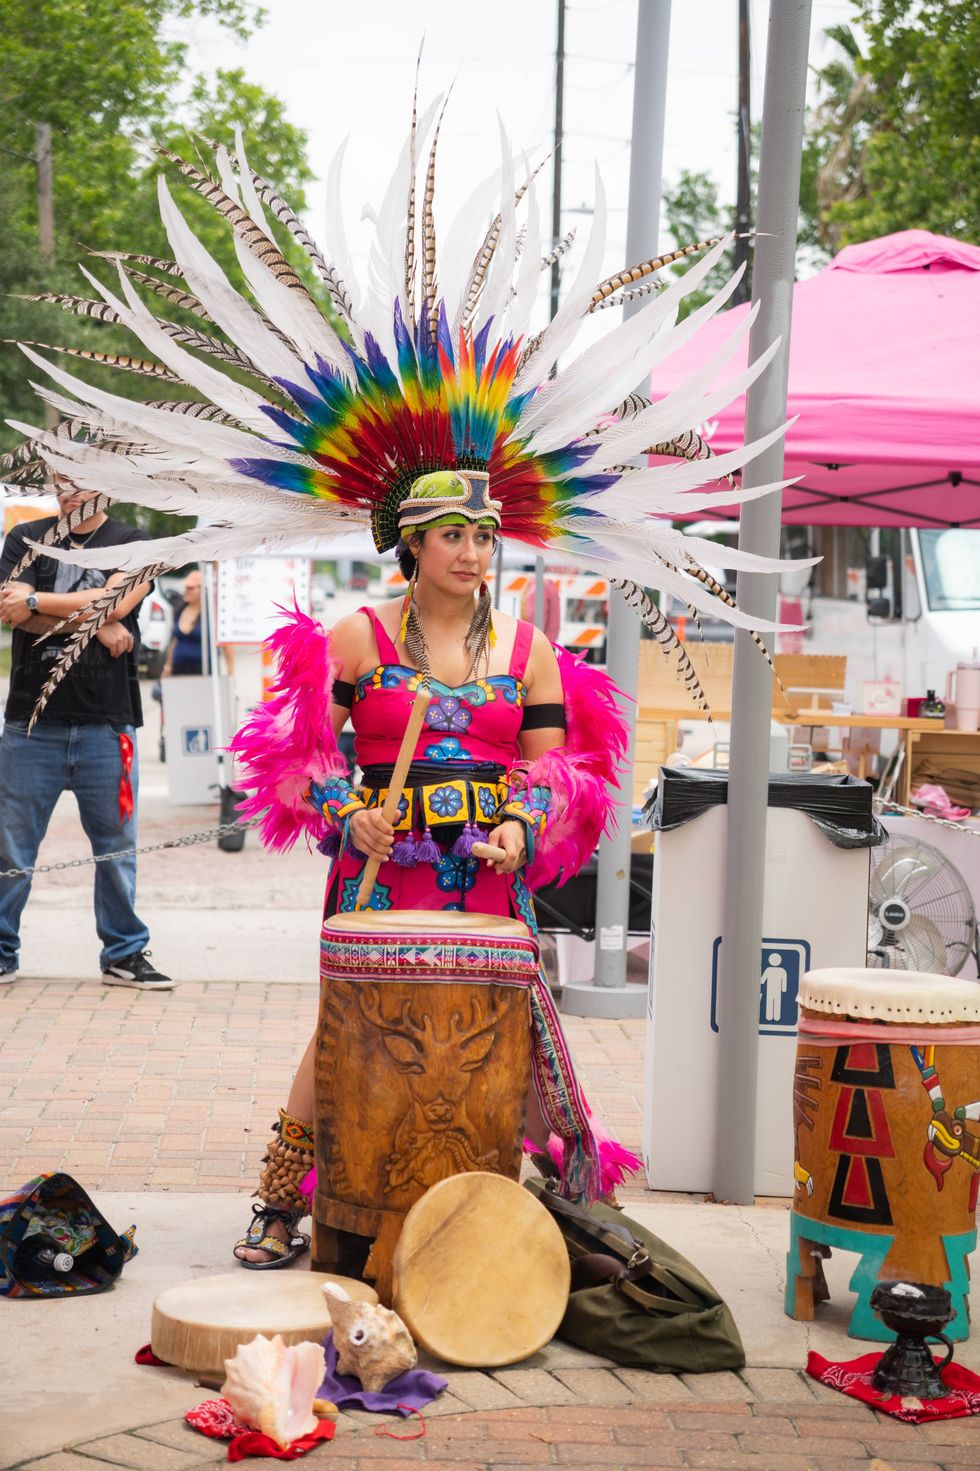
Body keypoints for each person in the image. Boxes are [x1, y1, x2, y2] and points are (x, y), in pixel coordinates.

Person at [230, 468, 631, 1268]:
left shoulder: (530, 648)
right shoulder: (357, 637)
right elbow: (292, 752)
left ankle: (520, 1195)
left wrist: (520, 822)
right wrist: (352, 812)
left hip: (486, 878)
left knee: (494, 1033)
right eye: (453, 534)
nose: (472, 552)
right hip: (380, 876)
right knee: (347, 1029)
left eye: (484, 536)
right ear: (413, 543)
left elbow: (558, 772)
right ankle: (280, 1200)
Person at [0, 476, 173, 991]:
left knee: (117, 848)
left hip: (108, 722)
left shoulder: (138, 543)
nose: (70, 492)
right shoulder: (24, 537)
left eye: (84, 483)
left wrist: (37, 602)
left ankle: (123, 952)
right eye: (62, 481)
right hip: (30, 724)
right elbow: (7, 605)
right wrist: (95, 623)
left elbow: (117, 603)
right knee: (11, 847)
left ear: (109, 489)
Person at [161, 567, 206, 678]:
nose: (186, 591)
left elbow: (224, 645)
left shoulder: (210, 614)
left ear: (202, 589)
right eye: (185, 587)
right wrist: (168, 666)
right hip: (179, 667)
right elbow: (175, 640)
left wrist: (230, 675)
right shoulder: (180, 609)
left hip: (203, 669)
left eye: (190, 588)